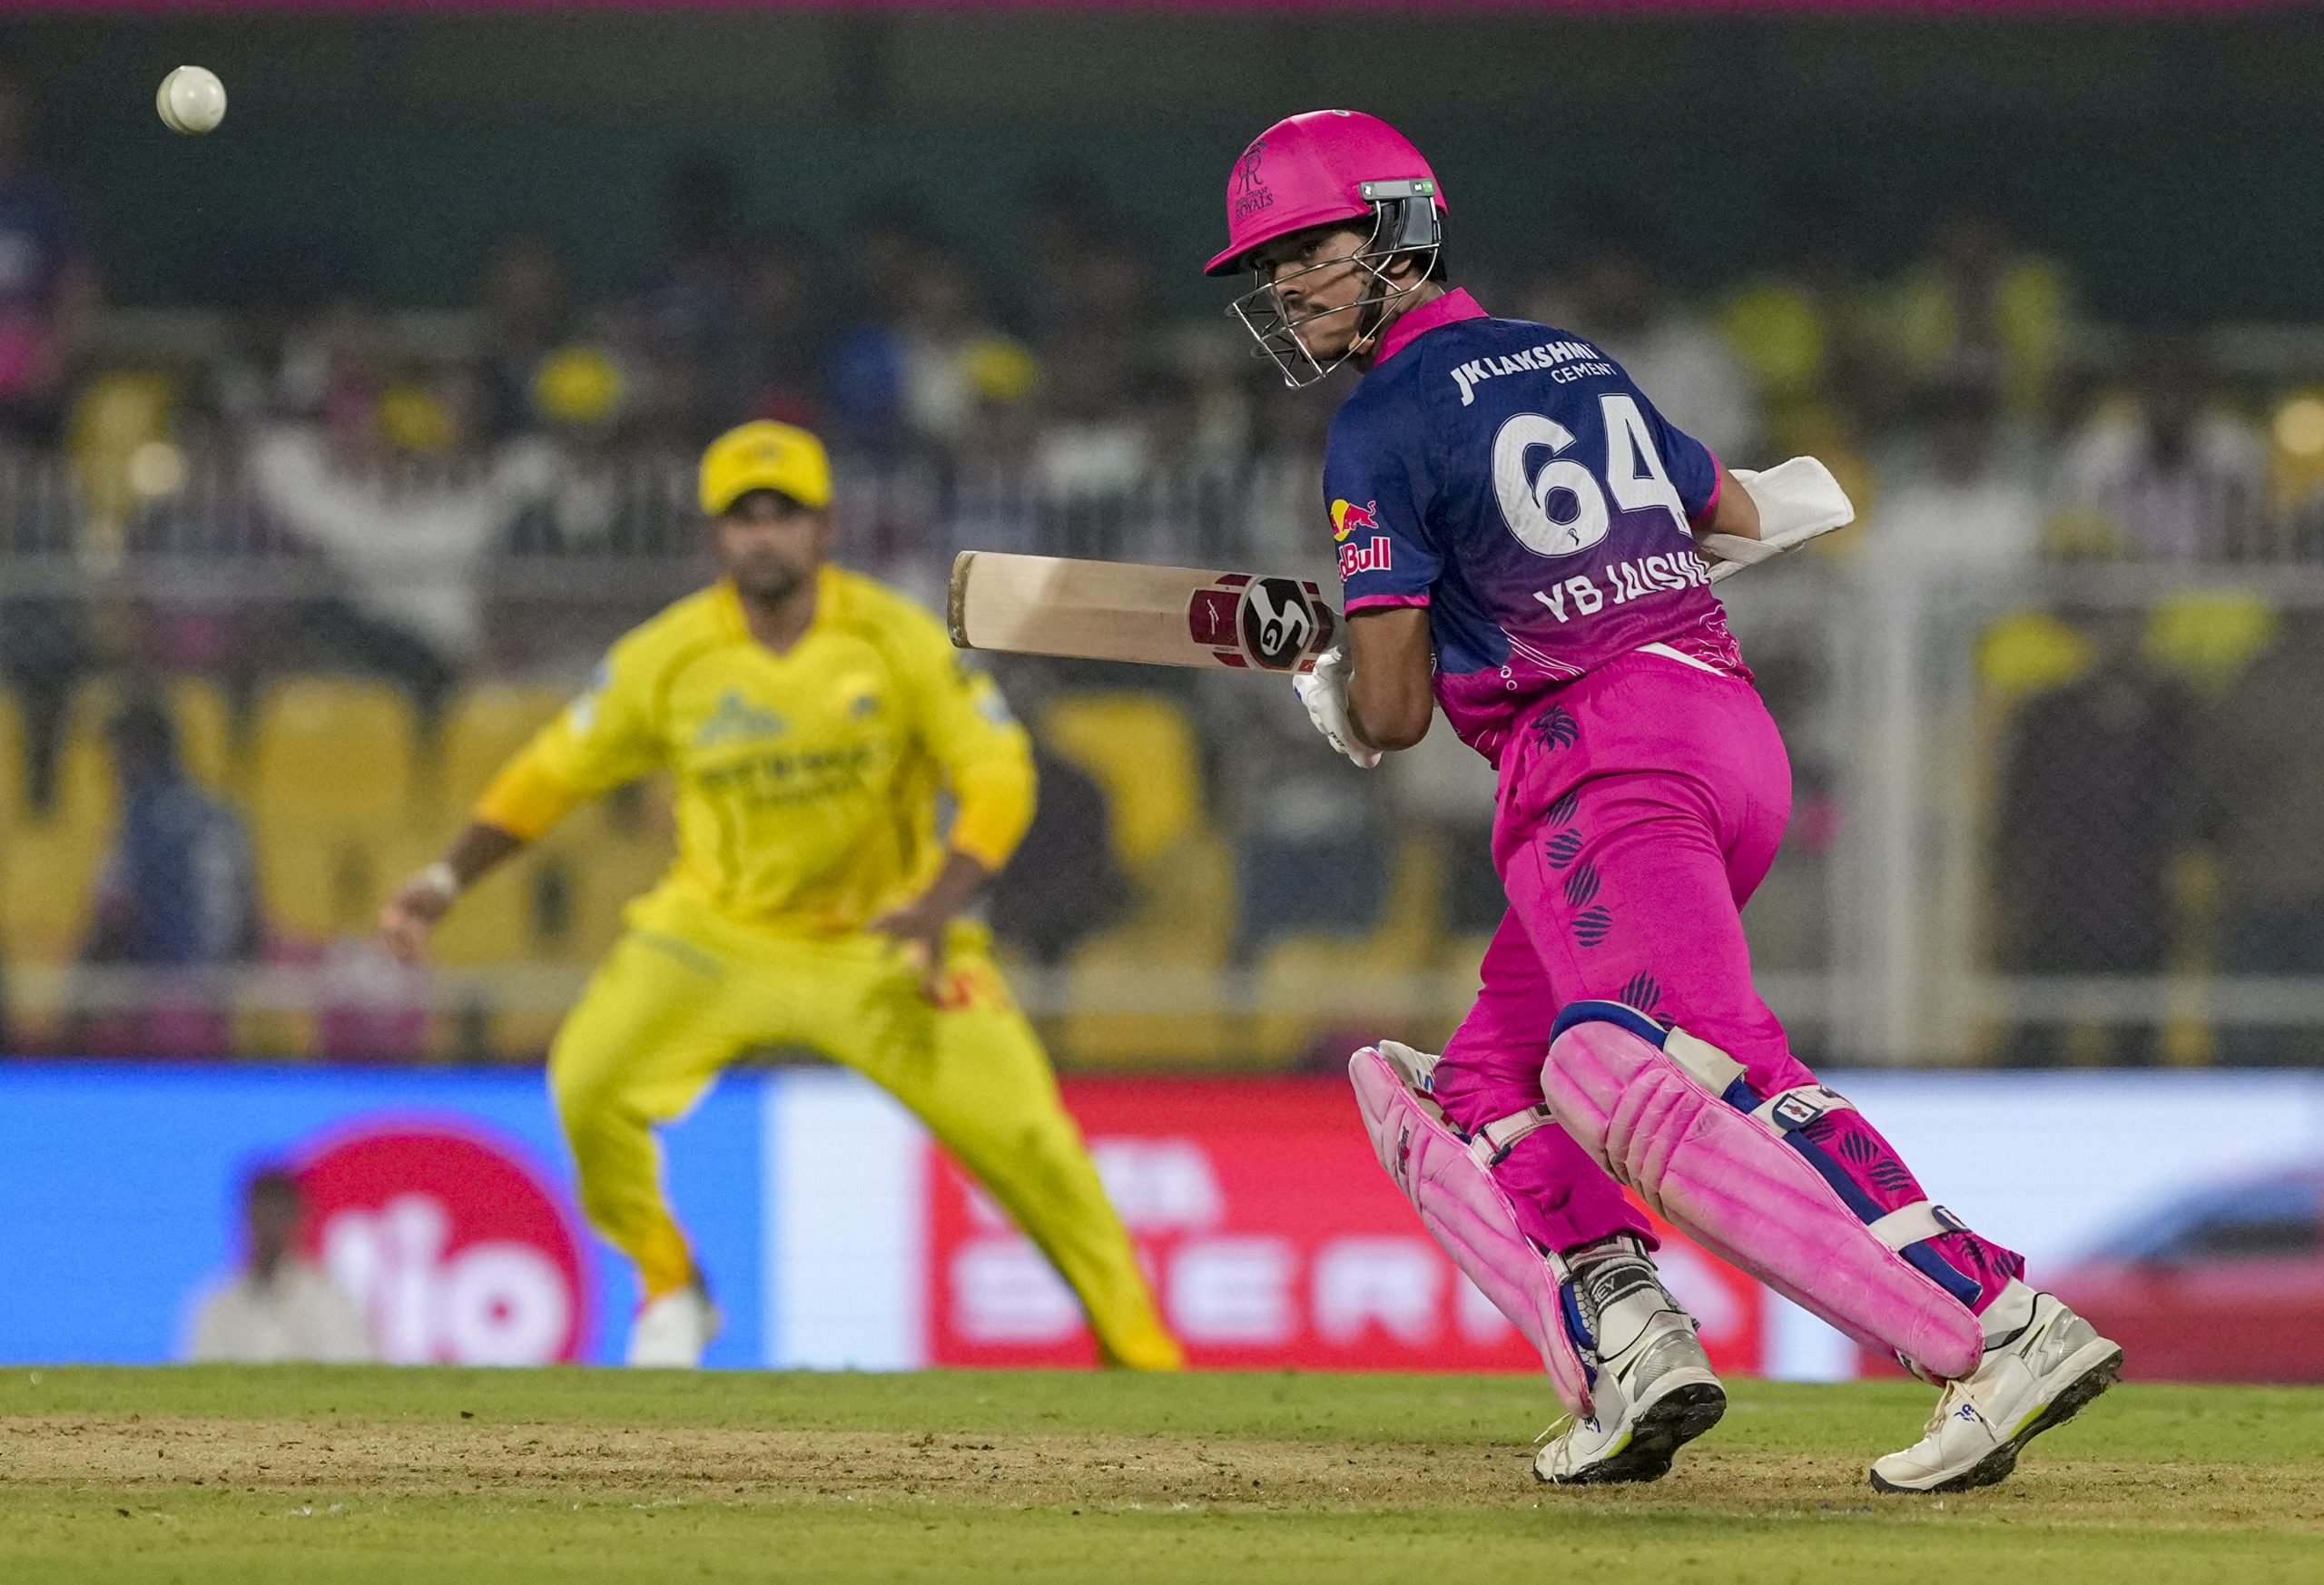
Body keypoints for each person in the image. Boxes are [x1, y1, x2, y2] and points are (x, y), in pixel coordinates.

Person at [1204, 109, 2119, 1491]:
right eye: (1271, 268)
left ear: (1399, 232)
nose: (1288, 288)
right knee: (1477, 1089)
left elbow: (1392, 718)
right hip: (1722, 735)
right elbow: (1735, 512)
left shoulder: (1378, 424)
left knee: (1670, 1065)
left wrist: (1332, 681)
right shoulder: (1574, 359)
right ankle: (1632, 1351)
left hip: (1597, 770)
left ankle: (1996, 1322)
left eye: (1309, 252)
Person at [379, 419, 1180, 1373]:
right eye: (744, 516)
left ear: (825, 527)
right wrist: (444, 881)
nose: (764, 535)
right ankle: (672, 1285)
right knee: (589, 1082)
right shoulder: (668, 656)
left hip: (886, 940)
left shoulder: (896, 638)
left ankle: (1142, 1355)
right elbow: (552, 773)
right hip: (718, 937)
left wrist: (940, 901)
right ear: (714, 535)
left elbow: (998, 772)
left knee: (1032, 1143)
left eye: (784, 514)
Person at [74, 691, 261, 1059]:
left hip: (165, 991)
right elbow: (249, 914)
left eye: (117, 754)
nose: (111, 767)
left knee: (95, 964)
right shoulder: (222, 812)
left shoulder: (142, 818)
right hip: (230, 986)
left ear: (143, 752)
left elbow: (113, 912)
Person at [185, 1168, 373, 1363]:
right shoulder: (216, 1304)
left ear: (298, 1220)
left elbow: (352, 1370)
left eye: (279, 1216)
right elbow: (201, 1373)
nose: (269, 1229)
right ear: (246, 1220)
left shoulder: (326, 1297)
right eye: (262, 1215)